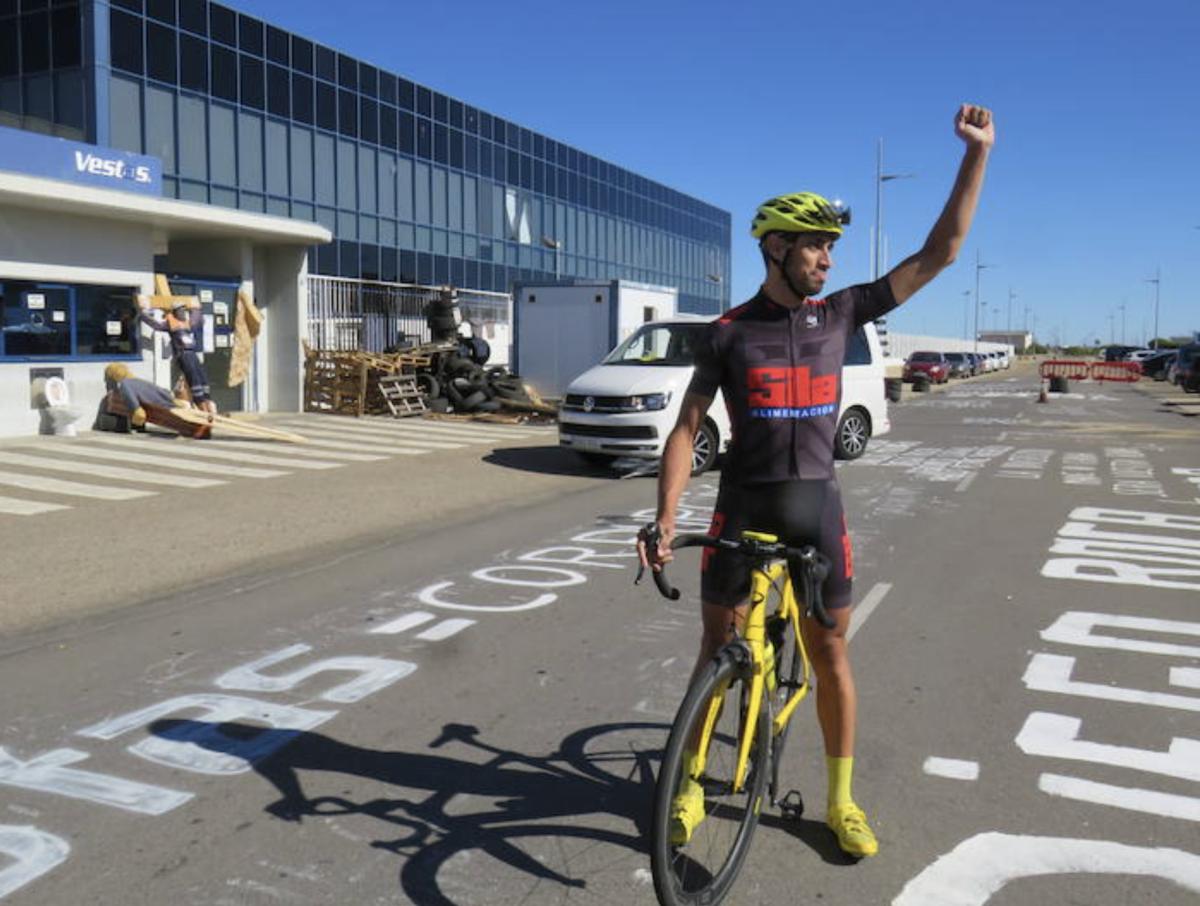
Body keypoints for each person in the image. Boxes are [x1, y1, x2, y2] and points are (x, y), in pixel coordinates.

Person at [637, 104, 994, 858]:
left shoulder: (844, 314)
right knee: (716, 651)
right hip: (742, 509)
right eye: (814, 248)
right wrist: (666, 517)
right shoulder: (728, 332)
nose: (827, 261)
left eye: (832, 249)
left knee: (831, 654)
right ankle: (692, 786)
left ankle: (839, 800)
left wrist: (976, 155)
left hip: (817, 512)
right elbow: (686, 427)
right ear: (774, 248)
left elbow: (943, 250)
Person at [137, 295, 217, 414]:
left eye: (184, 311)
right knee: (194, 380)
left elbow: (197, 319)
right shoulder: (170, 324)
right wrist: (143, 314)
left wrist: (196, 308)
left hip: (192, 353)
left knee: (202, 378)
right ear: (175, 312)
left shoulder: (187, 323)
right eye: (180, 311)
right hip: (183, 355)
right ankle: (202, 407)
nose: (183, 313)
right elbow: (156, 325)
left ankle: (208, 404)